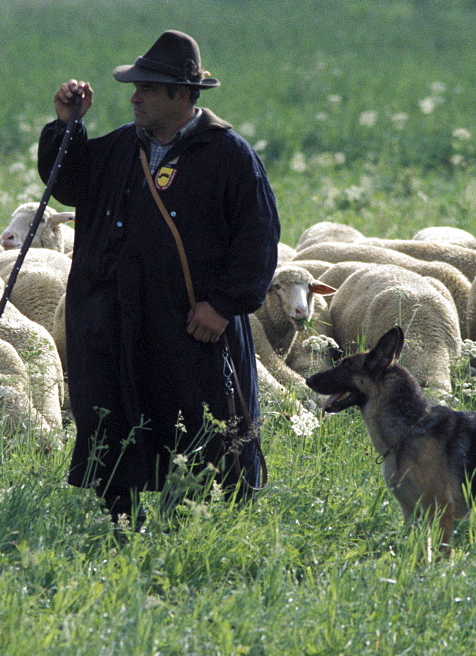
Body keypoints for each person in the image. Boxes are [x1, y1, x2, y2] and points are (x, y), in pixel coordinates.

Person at [38, 30, 280, 525]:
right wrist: (67, 127)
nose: (134, 97)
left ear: (183, 96)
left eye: (147, 88)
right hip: (117, 317)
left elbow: (258, 237)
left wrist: (223, 305)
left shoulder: (229, 156)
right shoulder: (122, 147)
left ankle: (195, 525)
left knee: (196, 422)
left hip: (189, 324)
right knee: (115, 414)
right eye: (136, 87)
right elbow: (68, 182)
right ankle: (117, 520)